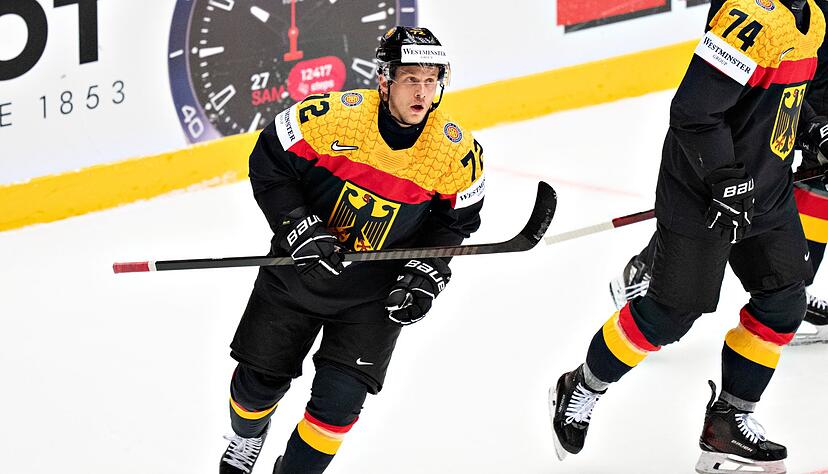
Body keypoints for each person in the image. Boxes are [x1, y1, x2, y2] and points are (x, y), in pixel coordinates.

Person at [549, 1, 825, 473]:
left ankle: (727, 424)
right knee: (671, 316)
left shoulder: (813, 17)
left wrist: (817, 130)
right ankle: (583, 384)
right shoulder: (747, 18)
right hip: (701, 190)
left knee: (783, 300)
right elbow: (694, 111)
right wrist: (724, 178)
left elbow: (792, 101)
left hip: (768, 184)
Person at [218, 26, 485, 474]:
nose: (423, 92)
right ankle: (246, 439)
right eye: (410, 79)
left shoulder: (454, 153)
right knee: (254, 389)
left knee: (338, 406)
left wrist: (426, 271)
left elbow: (454, 223)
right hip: (297, 272)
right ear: (384, 81)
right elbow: (269, 160)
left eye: (431, 79)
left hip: (373, 298)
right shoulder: (331, 118)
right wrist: (298, 226)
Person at [610, 0, 828, 344]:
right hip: (766, 27)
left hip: (803, 32)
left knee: (801, 150)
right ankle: (654, 266)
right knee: (734, 139)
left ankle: (792, 290)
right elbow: (698, 111)